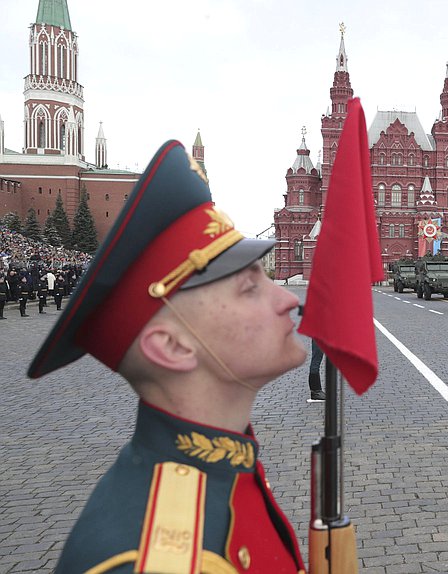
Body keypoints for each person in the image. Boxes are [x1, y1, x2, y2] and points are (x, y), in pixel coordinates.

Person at [28, 140, 309, 573]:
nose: (288, 299)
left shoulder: (222, 468)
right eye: (251, 287)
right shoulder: (159, 559)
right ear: (172, 347)